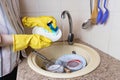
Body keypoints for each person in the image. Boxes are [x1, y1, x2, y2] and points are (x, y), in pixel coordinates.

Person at [0, 0, 61, 80]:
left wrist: (32, 21)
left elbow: (9, 20)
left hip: (17, 58)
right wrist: (27, 40)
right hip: (3, 67)